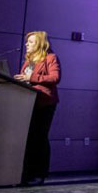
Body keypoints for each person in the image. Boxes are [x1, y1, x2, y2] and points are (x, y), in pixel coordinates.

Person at [14, 31, 61, 185]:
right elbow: (27, 80)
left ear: (40, 44)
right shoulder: (28, 62)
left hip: (44, 103)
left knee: (39, 138)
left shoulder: (50, 58)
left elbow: (55, 78)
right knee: (28, 138)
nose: (27, 44)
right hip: (28, 103)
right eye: (27, 42)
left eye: (31, 42)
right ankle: (26, 174)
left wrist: (31, 78)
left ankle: (39, 174)